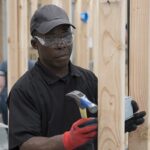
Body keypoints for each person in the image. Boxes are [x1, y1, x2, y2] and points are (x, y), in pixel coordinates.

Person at [7, 4, 146, 150]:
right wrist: (68, 140)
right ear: (35, 44)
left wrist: (117, 123)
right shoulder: (23, 90)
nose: (61, 44)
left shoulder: (88, 79)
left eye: (66, 36)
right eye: (51, 39)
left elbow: (98, 127)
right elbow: (25, 145)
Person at [0, 60, 35, 126]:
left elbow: (1, 84)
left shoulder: (4, 64)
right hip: (29, 99)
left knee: (9, 126)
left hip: (7, 99)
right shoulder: (33, 64)